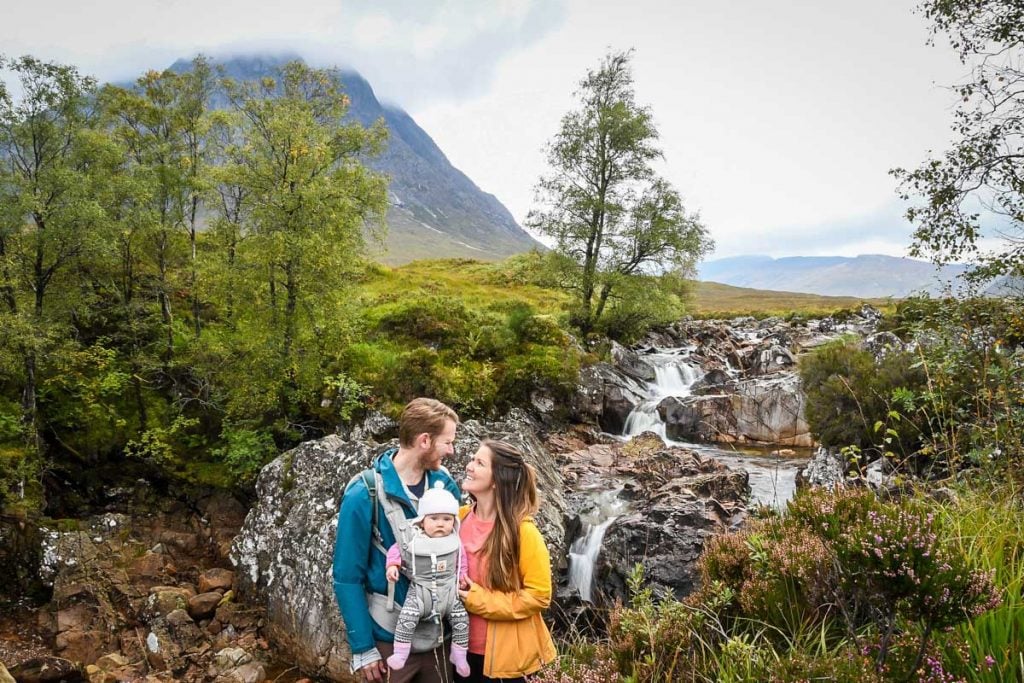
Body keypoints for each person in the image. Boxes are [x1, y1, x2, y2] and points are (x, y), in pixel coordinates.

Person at [333, 398, 461, 683]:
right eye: (447, 442)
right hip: (389, 643)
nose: (452, 451)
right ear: (424, 440)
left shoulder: (447, 487)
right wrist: (363, 648)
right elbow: (346, 577)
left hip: (440, 639)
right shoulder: (364, 493)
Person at [456, 440, 557, 682]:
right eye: (472, 459)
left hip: (509, 661)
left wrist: (481, 601)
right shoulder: (457, 519)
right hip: (458, 651)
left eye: (479, 463)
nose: (469, 466)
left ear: (496, 480)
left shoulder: (523, 533)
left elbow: (539, 595)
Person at [385, 485, 471, 677]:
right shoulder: (414, 538)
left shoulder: (454, 541)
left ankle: (459, 655)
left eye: (447, 519)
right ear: (422, 521)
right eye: (434, 518)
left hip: (449, 592)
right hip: (420, 590)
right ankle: (400, 653)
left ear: (454, 522)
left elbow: (461, 560)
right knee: (407, 617)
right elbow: (396, 550)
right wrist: (393, 566)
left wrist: (462, 578)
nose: (441, 524)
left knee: (461, 620)